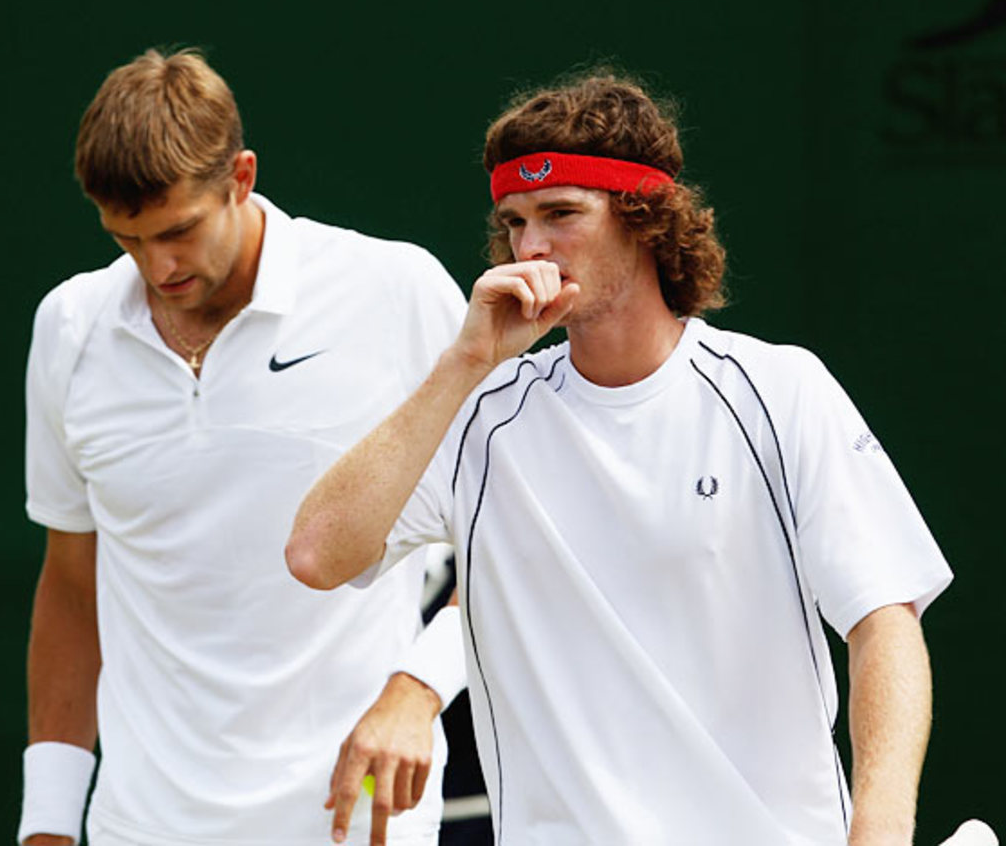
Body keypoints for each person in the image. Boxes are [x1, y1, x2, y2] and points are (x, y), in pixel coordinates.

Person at [286, 71, 954, 845]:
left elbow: (884, 620)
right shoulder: (478, 415)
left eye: (562, 214)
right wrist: (464, 364)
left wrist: (880, 826)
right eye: (514, 222)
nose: (531, 246)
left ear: (643, 219)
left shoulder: (779, 391)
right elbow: (315, 554)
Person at [19, 48, 469, 846]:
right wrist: (48, 824)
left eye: (179, 231)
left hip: (355, 823)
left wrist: (419, 688)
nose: (158, 266)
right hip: (140, 825)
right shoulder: (68, 327)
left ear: (242, 177)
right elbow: (73, 584)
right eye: (126, 240)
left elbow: (514, 545)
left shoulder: (396, 291)